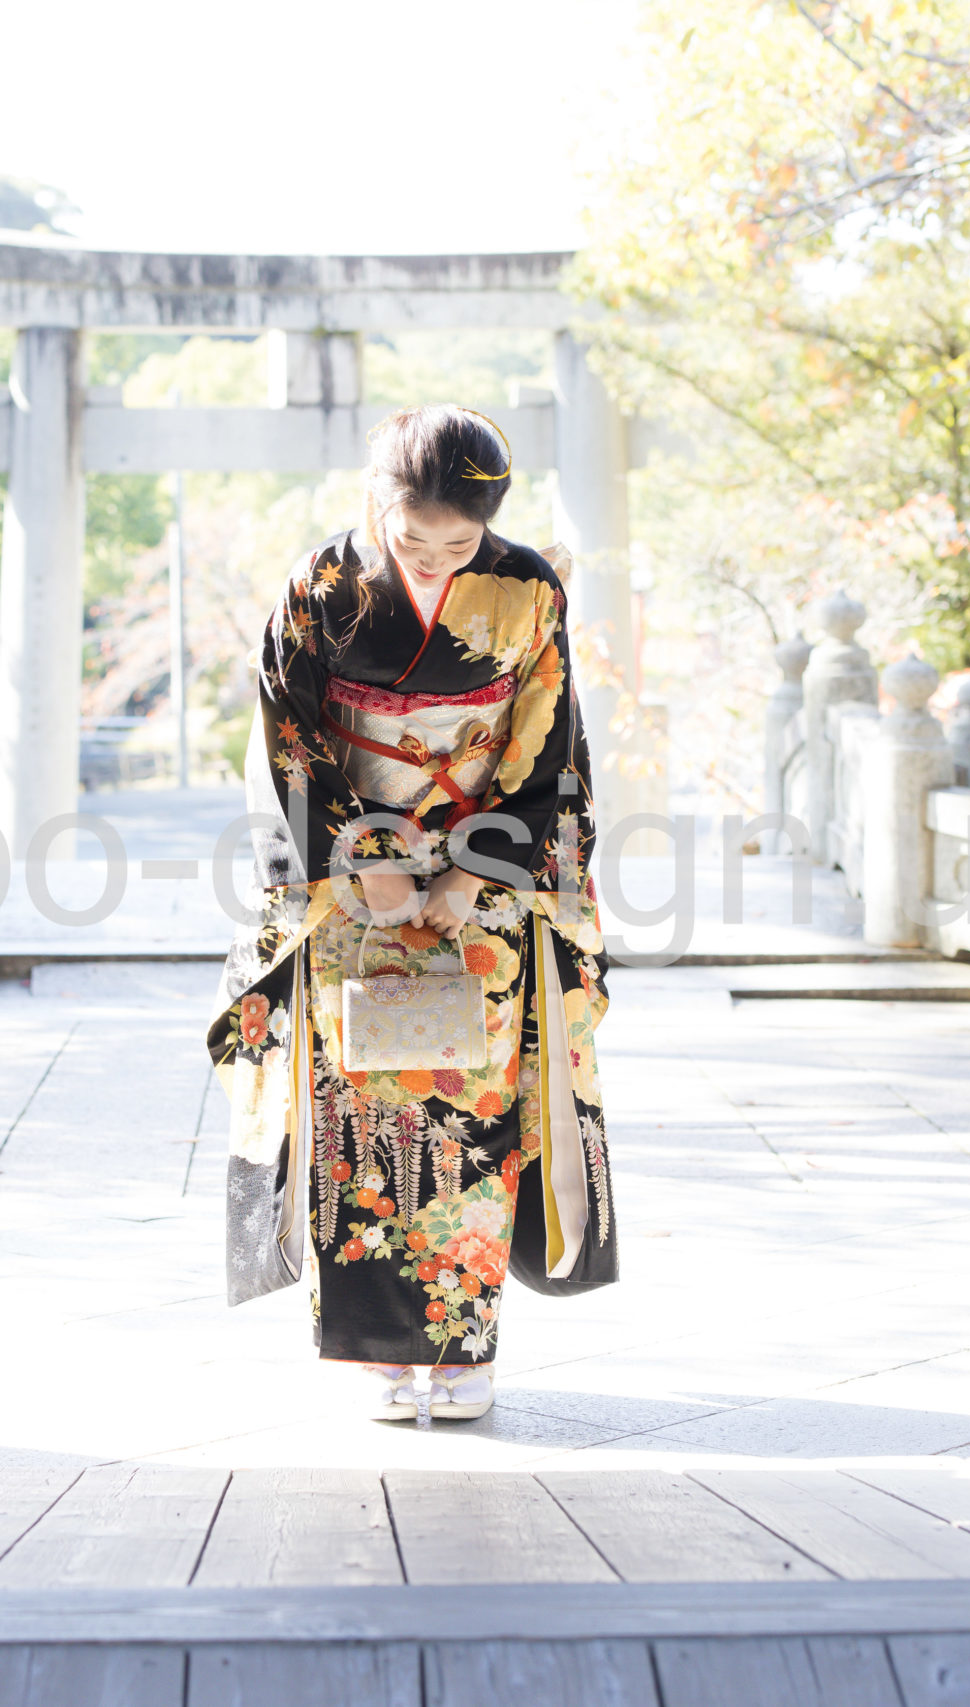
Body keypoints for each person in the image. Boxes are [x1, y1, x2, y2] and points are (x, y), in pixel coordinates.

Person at [207, 405, 618, 1424]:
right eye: (412, 538)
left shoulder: (529, 589)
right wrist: (374, 862)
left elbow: (546, 737)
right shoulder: (321, 585)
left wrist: (474, 871)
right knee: (362, 1112)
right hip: (354, 886)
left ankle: (465, 1349)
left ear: (490, 524)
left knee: (470, 1113)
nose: (433, 560)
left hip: (483, 889)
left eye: (458, 544)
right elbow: (289, 734)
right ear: (375, 502)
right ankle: (376, 1356)